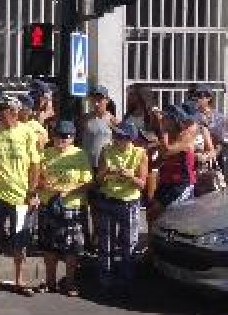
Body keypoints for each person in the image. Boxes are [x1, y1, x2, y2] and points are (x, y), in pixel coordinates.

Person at [0, 95, 41, 296]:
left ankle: (19, 279)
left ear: (14, 111)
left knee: (20, 240)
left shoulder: (28, 133)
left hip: (21, 196)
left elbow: (35, 165)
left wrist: (32, 191)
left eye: (2, 110)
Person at [36, 120, 93, 297]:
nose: (62, 139)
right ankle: (50, 282)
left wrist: (68, 189)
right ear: (52, 136)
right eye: (58, 135)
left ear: (73, 138)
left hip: (72, 205)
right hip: (49, 203)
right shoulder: (44, 154)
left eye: (66, 136)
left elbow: (88, 182)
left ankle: (70, 283)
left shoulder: (80, 154)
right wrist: (44, 185)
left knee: (72, 247)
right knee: (48, 245)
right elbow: (36, 178)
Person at [94, 122, 148, 298]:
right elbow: (99, 179)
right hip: (108, 200)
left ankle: (125, 283)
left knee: (128, 246)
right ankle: (105, 282)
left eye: (120, 136)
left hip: (129, 203)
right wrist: (106, 172)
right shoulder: (106, 150)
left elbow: (142, 184)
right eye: (115, 135)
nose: (116, 139)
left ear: (129, 139)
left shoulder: (139, 153)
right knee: (105, 244)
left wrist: (130, 176)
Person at [150, 105, 198, 222]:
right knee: (152, 213)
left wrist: (161, 129)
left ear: (174, 120)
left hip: (181, 184)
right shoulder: (167, 136)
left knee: (174, 217)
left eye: (166, 117)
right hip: (165, 182)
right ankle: (153, 240)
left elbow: (167, 151)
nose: (162, 120)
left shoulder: (185, 136)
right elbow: (159, 161)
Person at [80, 86, 116, 169]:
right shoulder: (84, 119)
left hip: (104, 165)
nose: (96, 103)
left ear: (107, 100)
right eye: (94, 100)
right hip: (86, 164)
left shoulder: (113, 121)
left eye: (99, 100)